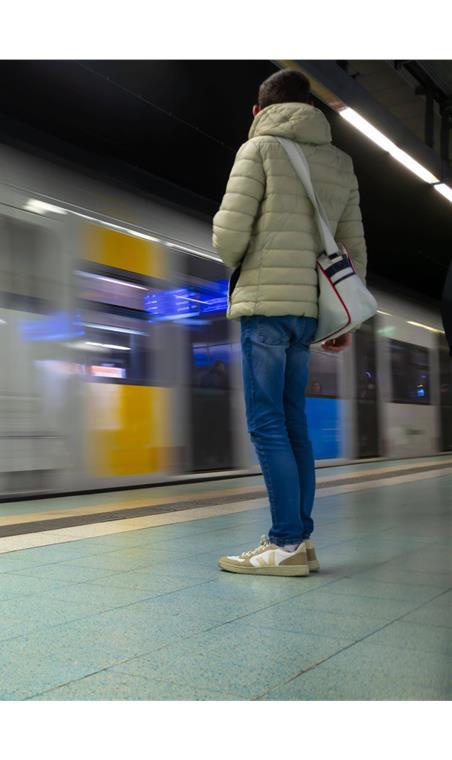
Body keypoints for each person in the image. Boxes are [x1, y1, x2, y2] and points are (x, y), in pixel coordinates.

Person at [211, 69, 368, 576]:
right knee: (295, 424)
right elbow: (354, 248)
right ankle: (300, 540)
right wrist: (344, 316)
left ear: (259, 111)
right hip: (308, 314)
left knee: (266, 424)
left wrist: (242, 251)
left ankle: (284, 543)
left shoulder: (257, 151)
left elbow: (228, 238)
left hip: (265, 308)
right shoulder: (341, 163)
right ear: (311, 109)